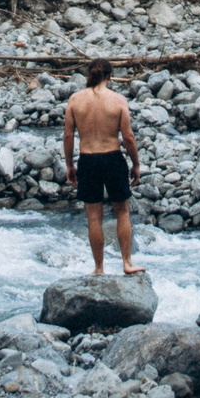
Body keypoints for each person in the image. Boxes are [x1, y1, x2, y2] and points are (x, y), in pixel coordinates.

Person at [62, 56, 144, 275]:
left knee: (94, 216)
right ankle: (127, 263)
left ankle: (99, 268)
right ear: (110, 76)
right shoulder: (118, 100)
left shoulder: (75, 100)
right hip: (113, 158)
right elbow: (128, 136)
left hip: (88, 159)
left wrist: (70, 164)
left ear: (89, 75)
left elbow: (69, 135)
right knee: (122, 211)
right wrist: (136, 163)